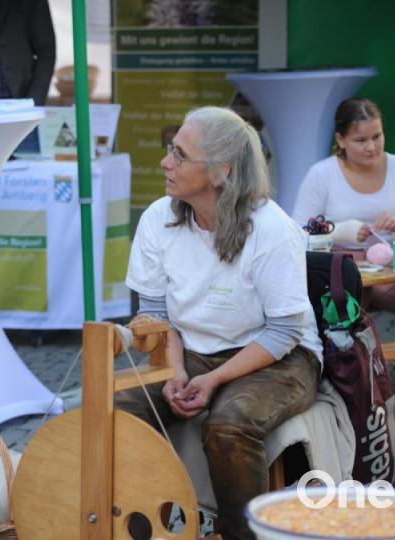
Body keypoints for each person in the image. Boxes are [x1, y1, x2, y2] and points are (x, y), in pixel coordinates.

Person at [118, 107, 322, 540]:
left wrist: (211, 382)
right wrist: (175, 372)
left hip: (279, 356)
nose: (165, 162)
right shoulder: (159, 219)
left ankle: (240, 535)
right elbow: (156, 314)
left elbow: (284, 332)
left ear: (219, 173)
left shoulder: (272, 230)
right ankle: (126, 529)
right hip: (190, 348)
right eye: (170, 151)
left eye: (179, 155)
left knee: (229, 426)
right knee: (115, 413)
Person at [292, 98, 395, 312]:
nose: (372, 147)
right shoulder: (321, 174)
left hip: (391, 269)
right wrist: (340, 232)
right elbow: (297, 233)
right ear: (341, 140)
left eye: (377, 136)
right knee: (350, 288)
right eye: (361, 140)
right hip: (337, 269)